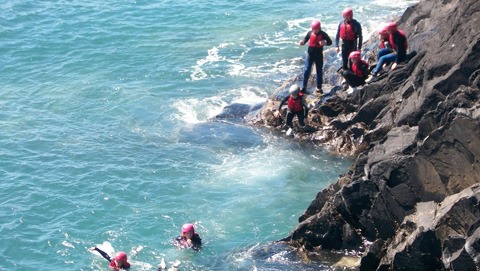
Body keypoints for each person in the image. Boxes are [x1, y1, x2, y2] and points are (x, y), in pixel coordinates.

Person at [299, 20, 333, 94]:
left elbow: (330, 42)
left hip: (318, 55)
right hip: (310, 54)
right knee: (307, 69)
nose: (315, 30)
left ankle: (319, 87)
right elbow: (306, 39)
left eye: (316, 29)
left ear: (319, 28)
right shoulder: (310, 33)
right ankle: (304, 87)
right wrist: (303, 42)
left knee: (319, 71)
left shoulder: (323, 34)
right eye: (314, 29)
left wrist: (325, 43)